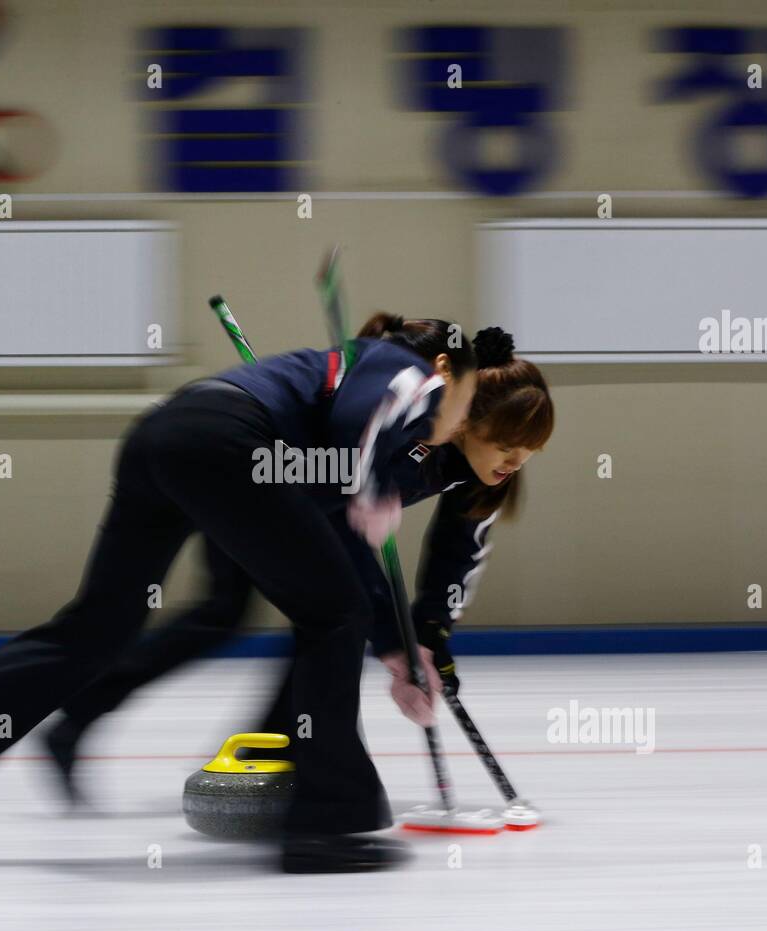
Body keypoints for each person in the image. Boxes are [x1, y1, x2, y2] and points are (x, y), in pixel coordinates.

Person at [0, 314, 477, 874]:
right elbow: (357, 428)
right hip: (228, 441)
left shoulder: (357, 375)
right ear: (447, 366)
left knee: (97, 629)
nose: (454, 424)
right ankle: (326, 823)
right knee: (333, 613)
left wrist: (396, 648)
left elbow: (338, 533)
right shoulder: (410, 371)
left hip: (169, 432)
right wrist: (367, 487)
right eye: (464, 405)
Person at [43, 323, 555, 788]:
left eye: (530, 451)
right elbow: (342, 523)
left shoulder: (483, 472)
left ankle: (267, 753)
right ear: (466, 422)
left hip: (291, 505)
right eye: (506, 446)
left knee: (299, 616)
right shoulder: (412, 426)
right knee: (289, 614)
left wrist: (431, 633)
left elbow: (458, 552)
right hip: (261, 488)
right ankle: (274, 759)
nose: (516, 463)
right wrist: (394, 638)